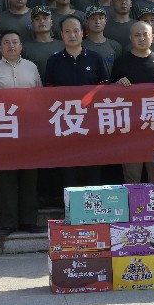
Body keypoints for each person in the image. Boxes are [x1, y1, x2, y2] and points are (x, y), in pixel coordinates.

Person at [0, 31, 43, 236]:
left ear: (21, 46)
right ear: (0, 47)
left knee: (30, 177)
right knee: (6, 179)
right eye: (6, 42)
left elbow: (40, 97)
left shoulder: (32, 67)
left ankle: (29, 221)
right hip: (3, 130)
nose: (11, 46)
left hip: (29, 130)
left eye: (15, 42)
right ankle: (8, 223)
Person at [44, 16, 107, 187]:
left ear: (83, 33)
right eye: (67, 31)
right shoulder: (54, 61)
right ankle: (70, 202)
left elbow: (104, 90)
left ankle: (93, 202)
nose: (72, 35)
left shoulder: (95, 58)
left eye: (76, 31)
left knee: (92, 167)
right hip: (65, 123)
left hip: (91, 123)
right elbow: (48, 93)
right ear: (61, 35)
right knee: (68, 170)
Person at [110, 21, 154, 183]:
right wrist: (117, 84)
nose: (142, 38)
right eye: (137, 35)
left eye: (145, 35)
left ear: (152, 36)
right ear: (131, 38)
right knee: (132, 175)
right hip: (131, 128)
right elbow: (109, 94)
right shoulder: (121, 62)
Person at [82, 5, 122, 77]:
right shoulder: (81, 46)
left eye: (101, 18)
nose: (97, 22)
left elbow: (120, 72)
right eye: (93, 18)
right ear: (86, 21)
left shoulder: (115, 46)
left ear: (105, 20)